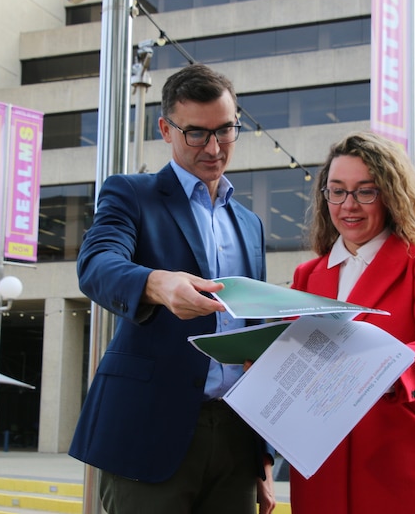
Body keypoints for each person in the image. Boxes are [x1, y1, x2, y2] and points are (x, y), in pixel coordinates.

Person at [70, 63, 276, 514]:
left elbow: (253, 337)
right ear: (165, 129)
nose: (214, 147)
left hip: (237, 441)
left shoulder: (250, 224)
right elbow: (97, 264)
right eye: (196, 133)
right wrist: (156, 284)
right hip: (148, 433)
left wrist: (262, 458)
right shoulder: (131, 194)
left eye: (225, 130)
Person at [289, 132, 415, 514]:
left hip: (405, 463)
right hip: (323, 468)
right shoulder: (307, 275)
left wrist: (378, 370)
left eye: (365, 191)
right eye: (336, 191)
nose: (348, 205)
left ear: (390, 194)